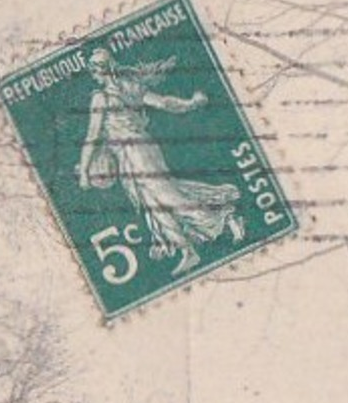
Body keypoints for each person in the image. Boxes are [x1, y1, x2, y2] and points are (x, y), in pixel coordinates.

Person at [76, 47, 244, 276]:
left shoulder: (100, 97)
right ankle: (187, 251)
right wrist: (190, 104)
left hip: (136, 152)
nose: (92, 75)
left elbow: (92, 136)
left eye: (93, 70)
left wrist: (85, 172)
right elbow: (164, 102)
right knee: (155, 206)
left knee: (169, 197)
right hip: (132, 154)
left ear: (99, 71)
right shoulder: (129, 86)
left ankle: (225, 218)